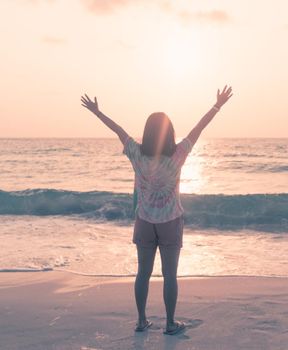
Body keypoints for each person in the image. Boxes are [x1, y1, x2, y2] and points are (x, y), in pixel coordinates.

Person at [80, 86, 233, 335]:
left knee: (143, 273)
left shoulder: (137, 154)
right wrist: (217, 105)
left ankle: (141, 321)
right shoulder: (179, 154)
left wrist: (98, 112)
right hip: (170, 221)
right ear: (170, 133)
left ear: (147, 133)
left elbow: (118, 130)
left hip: (144, 221)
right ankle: (170, 324)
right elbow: (199, 128)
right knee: (170, 275)